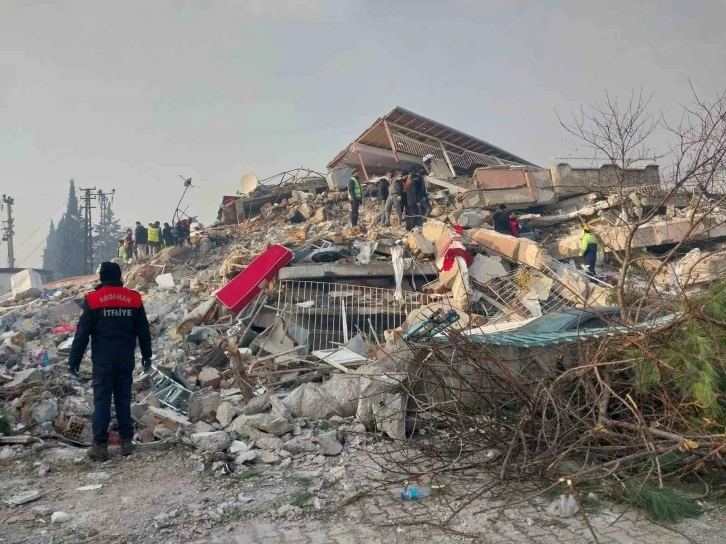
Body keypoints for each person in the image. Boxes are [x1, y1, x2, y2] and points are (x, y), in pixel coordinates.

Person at [68, 262, 152, 461]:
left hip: (103, 361)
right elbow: (143, 330)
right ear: (119, 276)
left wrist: (74, 361)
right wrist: (147, 356)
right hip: (125, 359)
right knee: (123, 400)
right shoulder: (134, 298)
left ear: (102, 278)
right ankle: (126, 443)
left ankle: (100, 446)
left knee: (102, 402)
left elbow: (82, 335)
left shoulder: (92, 300)